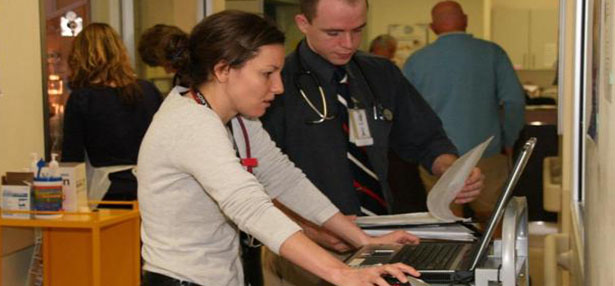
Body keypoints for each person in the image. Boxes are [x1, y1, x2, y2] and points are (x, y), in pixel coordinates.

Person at [137, 10, 421, 286]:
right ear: (223, 69)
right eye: (267, 73)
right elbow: (250, 206)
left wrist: (363, 241)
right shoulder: (189, 123)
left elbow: (284, 178)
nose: (278, 87)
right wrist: (342, 274)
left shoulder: (238, 118)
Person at [259, 0, 484, 285]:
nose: (348, 43)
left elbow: (426, 139)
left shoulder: (380, 74)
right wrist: (310, 229)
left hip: (377, 237)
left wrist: (452, 170)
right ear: (304, 24)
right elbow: (255, 181)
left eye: (358, 30)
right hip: (303, 243)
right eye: (334, 33)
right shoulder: (276, 83)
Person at [402, 1, 525, 222]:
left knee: (447, 220)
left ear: (433, 27)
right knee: (493, 221)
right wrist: (509, 139)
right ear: (466, 20)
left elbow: (406, 112)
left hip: (436, 159)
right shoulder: (492, 53)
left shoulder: (416, 61)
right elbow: (514, 101)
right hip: (486, 151)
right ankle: (493, 257)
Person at [62, 23, 163, 203]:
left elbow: (71, 160)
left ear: (80, 57)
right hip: (152, 188)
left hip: (109, 193)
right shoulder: (148, 90)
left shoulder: (82, 99)